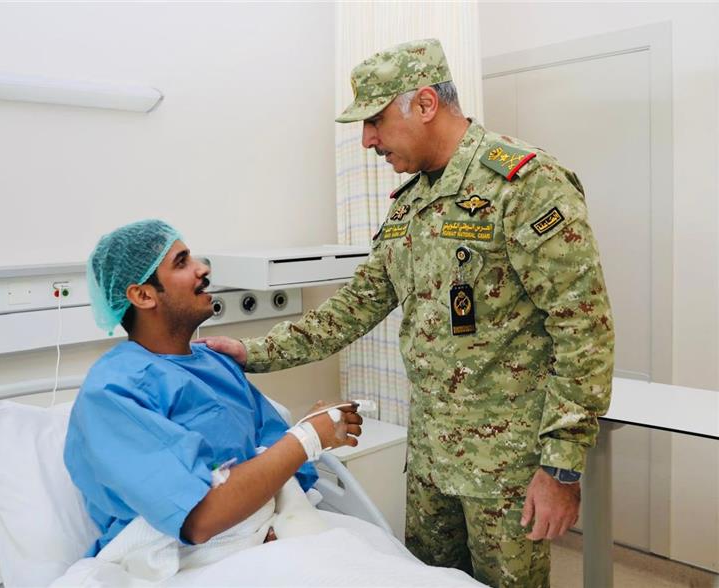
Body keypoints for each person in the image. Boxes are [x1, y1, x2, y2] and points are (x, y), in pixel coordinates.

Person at [198, 38, 614, 587]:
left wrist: (561, 468)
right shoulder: (411, 204)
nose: (367, 139)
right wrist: (251, 352)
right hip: (431, 461)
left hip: (507, 468)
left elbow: (583, 329)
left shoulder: (525, 185)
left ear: (424, 104)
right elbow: (354, 307)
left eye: (374, 121)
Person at [64, 219, 363, 558]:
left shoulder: (215, 362)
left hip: (266, 533)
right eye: (182, 262)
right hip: (179, 558)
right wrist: (308, 437)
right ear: (143, 295)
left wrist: (312, 429)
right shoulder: (113, 392)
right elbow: (197, 519)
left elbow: (279, 457)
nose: (203, 268)